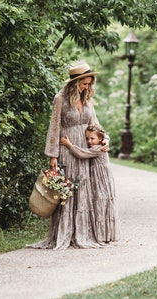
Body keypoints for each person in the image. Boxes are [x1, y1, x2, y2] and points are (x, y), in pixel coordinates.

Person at [28, 61, 109, 250]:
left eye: (89, 83)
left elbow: (95, 124)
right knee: (69, 192)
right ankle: (66, 233)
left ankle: (83, 232)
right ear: (74, 82)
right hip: (67, 150)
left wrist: (106, 139)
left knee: (85, 191)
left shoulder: (88, 99)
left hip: (85, 150)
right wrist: (53, 156)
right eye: (83, 83)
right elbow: (54, 127)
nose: (86, 87)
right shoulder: (60, 99)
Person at [60, 124, 120, 243]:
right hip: (97, 178)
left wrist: (69, 145)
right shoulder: (99, 145)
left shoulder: (99, 148)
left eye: (92, 138)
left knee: (103, 202)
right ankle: (102, 233)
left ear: (100, 139)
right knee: (99, 202)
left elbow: (82, 153)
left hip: (103, 178)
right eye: (87, 138)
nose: (89, 141)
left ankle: (105, 235)